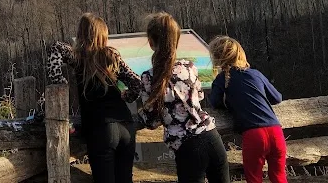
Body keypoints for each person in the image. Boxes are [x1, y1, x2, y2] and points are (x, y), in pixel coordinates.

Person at [47, 13, 142, 183]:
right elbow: (136, 82)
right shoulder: (112, 57)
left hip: (101, 127)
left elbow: (56, 47)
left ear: (82, 33)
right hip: (126, 125)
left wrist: (59, 80)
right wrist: (127, 96)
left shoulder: (79, 57)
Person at [137, 13, 229, 183]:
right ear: (176, 40)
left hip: (187, 148)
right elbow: (199, 96)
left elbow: (151, 121)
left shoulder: (149, 78)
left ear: (151, 42)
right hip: (212, 137)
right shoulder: (189, 66)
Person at [209, 36, 286, 183]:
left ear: (218, 59)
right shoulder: (255, 74)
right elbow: (277, 97)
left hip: (253, 134)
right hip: (276, 131)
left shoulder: (221, 80)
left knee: (254, 178)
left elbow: (214, 102)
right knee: (279, 177)